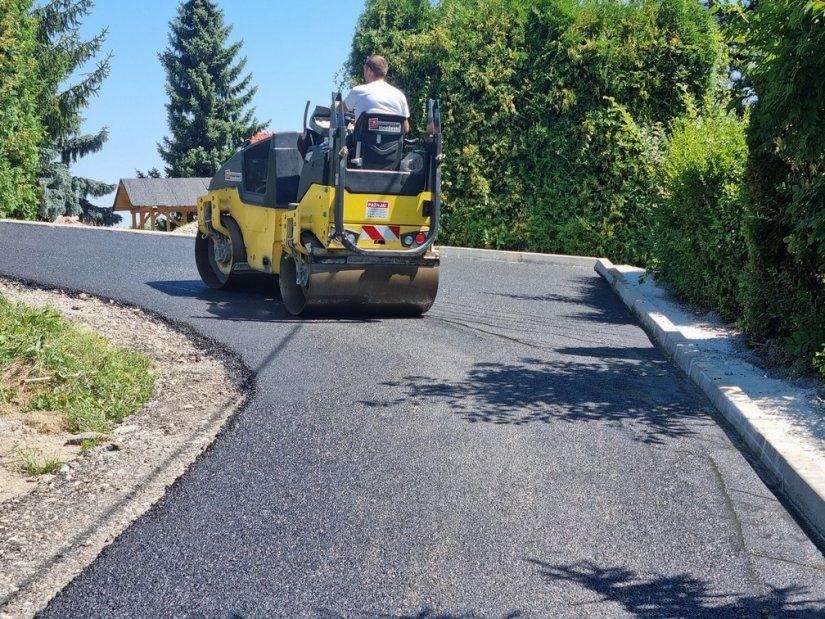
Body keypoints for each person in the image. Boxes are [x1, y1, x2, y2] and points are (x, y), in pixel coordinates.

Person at [343, 55, 410, 134]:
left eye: (364, 70)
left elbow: (340, 110)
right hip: (393, 146)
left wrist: (336, 104)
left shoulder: (358, 91)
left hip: (364, 146)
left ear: (369, 71)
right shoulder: (399, 96)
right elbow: (405, 128)